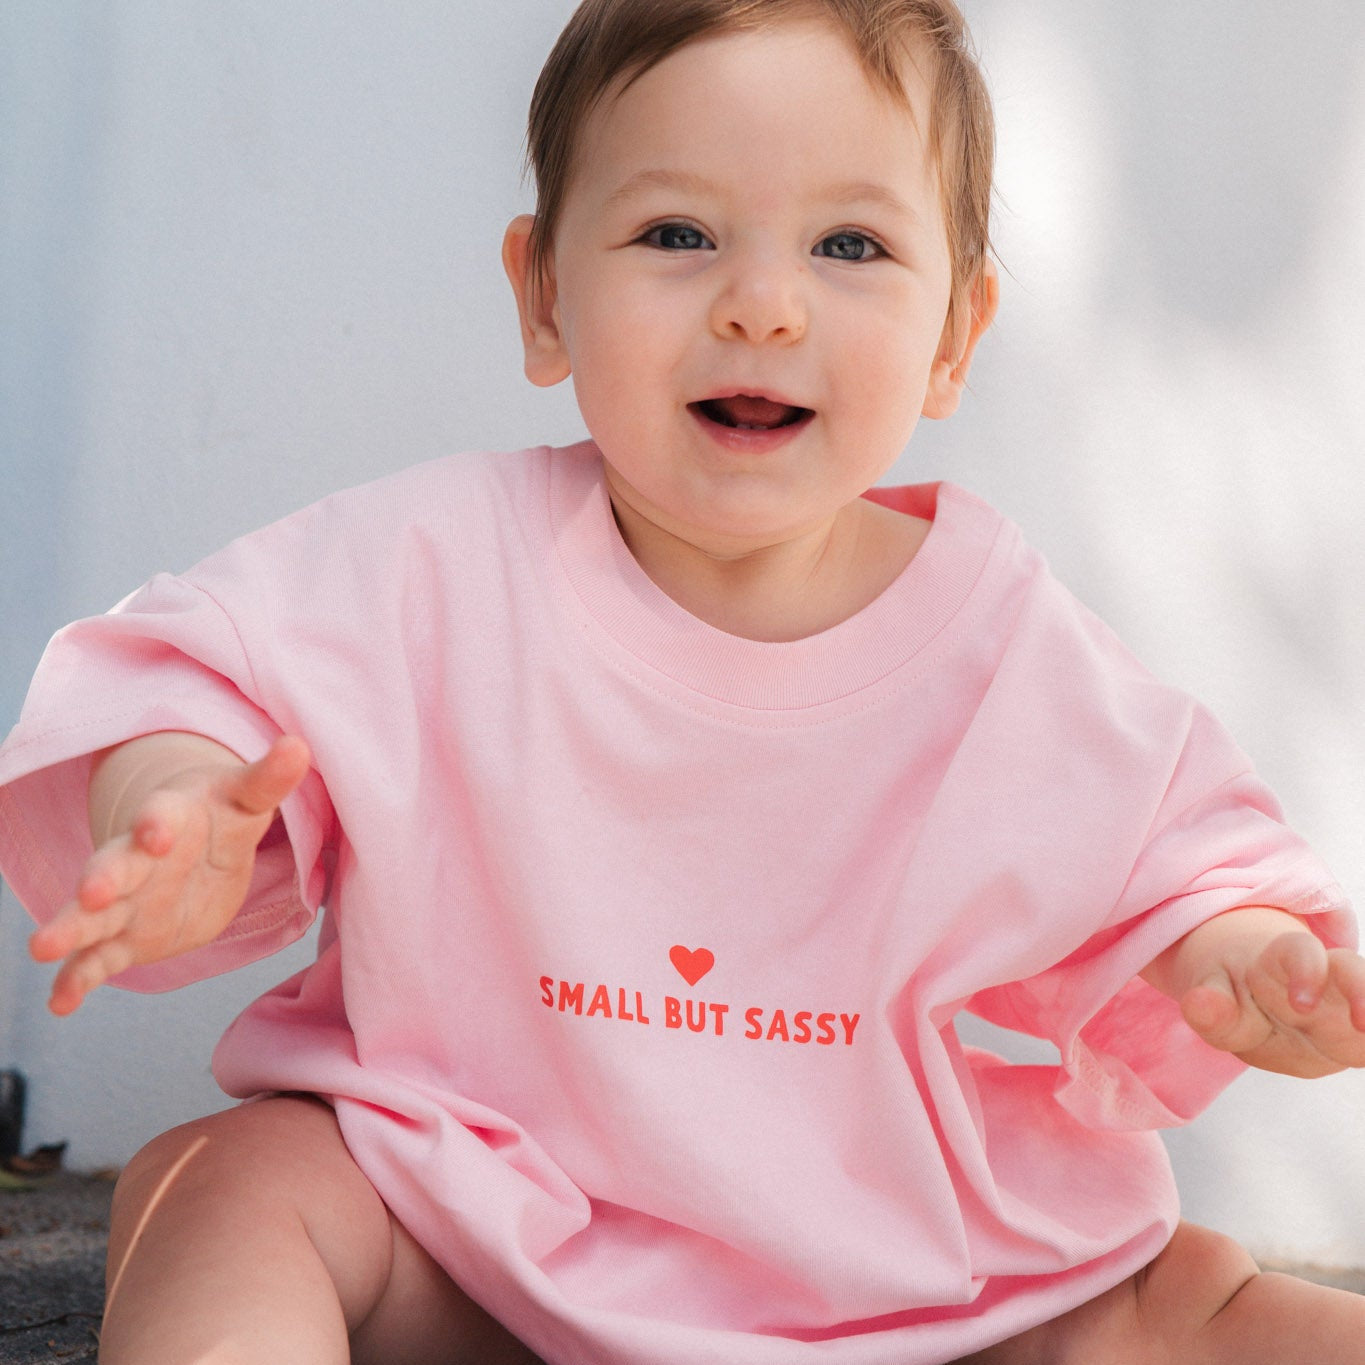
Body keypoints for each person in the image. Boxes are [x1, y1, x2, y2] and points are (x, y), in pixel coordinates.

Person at [0, 1, 1361, 1361]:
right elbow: (193, 668)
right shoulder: (431, 565)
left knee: (1200, 1308)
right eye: (675, 234)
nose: (760, 303)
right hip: (488, 1236)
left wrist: (1243, 956)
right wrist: (170, 798)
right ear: (543, 297)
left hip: (911, 1288)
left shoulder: (1001, 642)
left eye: (848, 244)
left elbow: (1172, 854)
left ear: (954, 332)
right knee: (222, 1183)